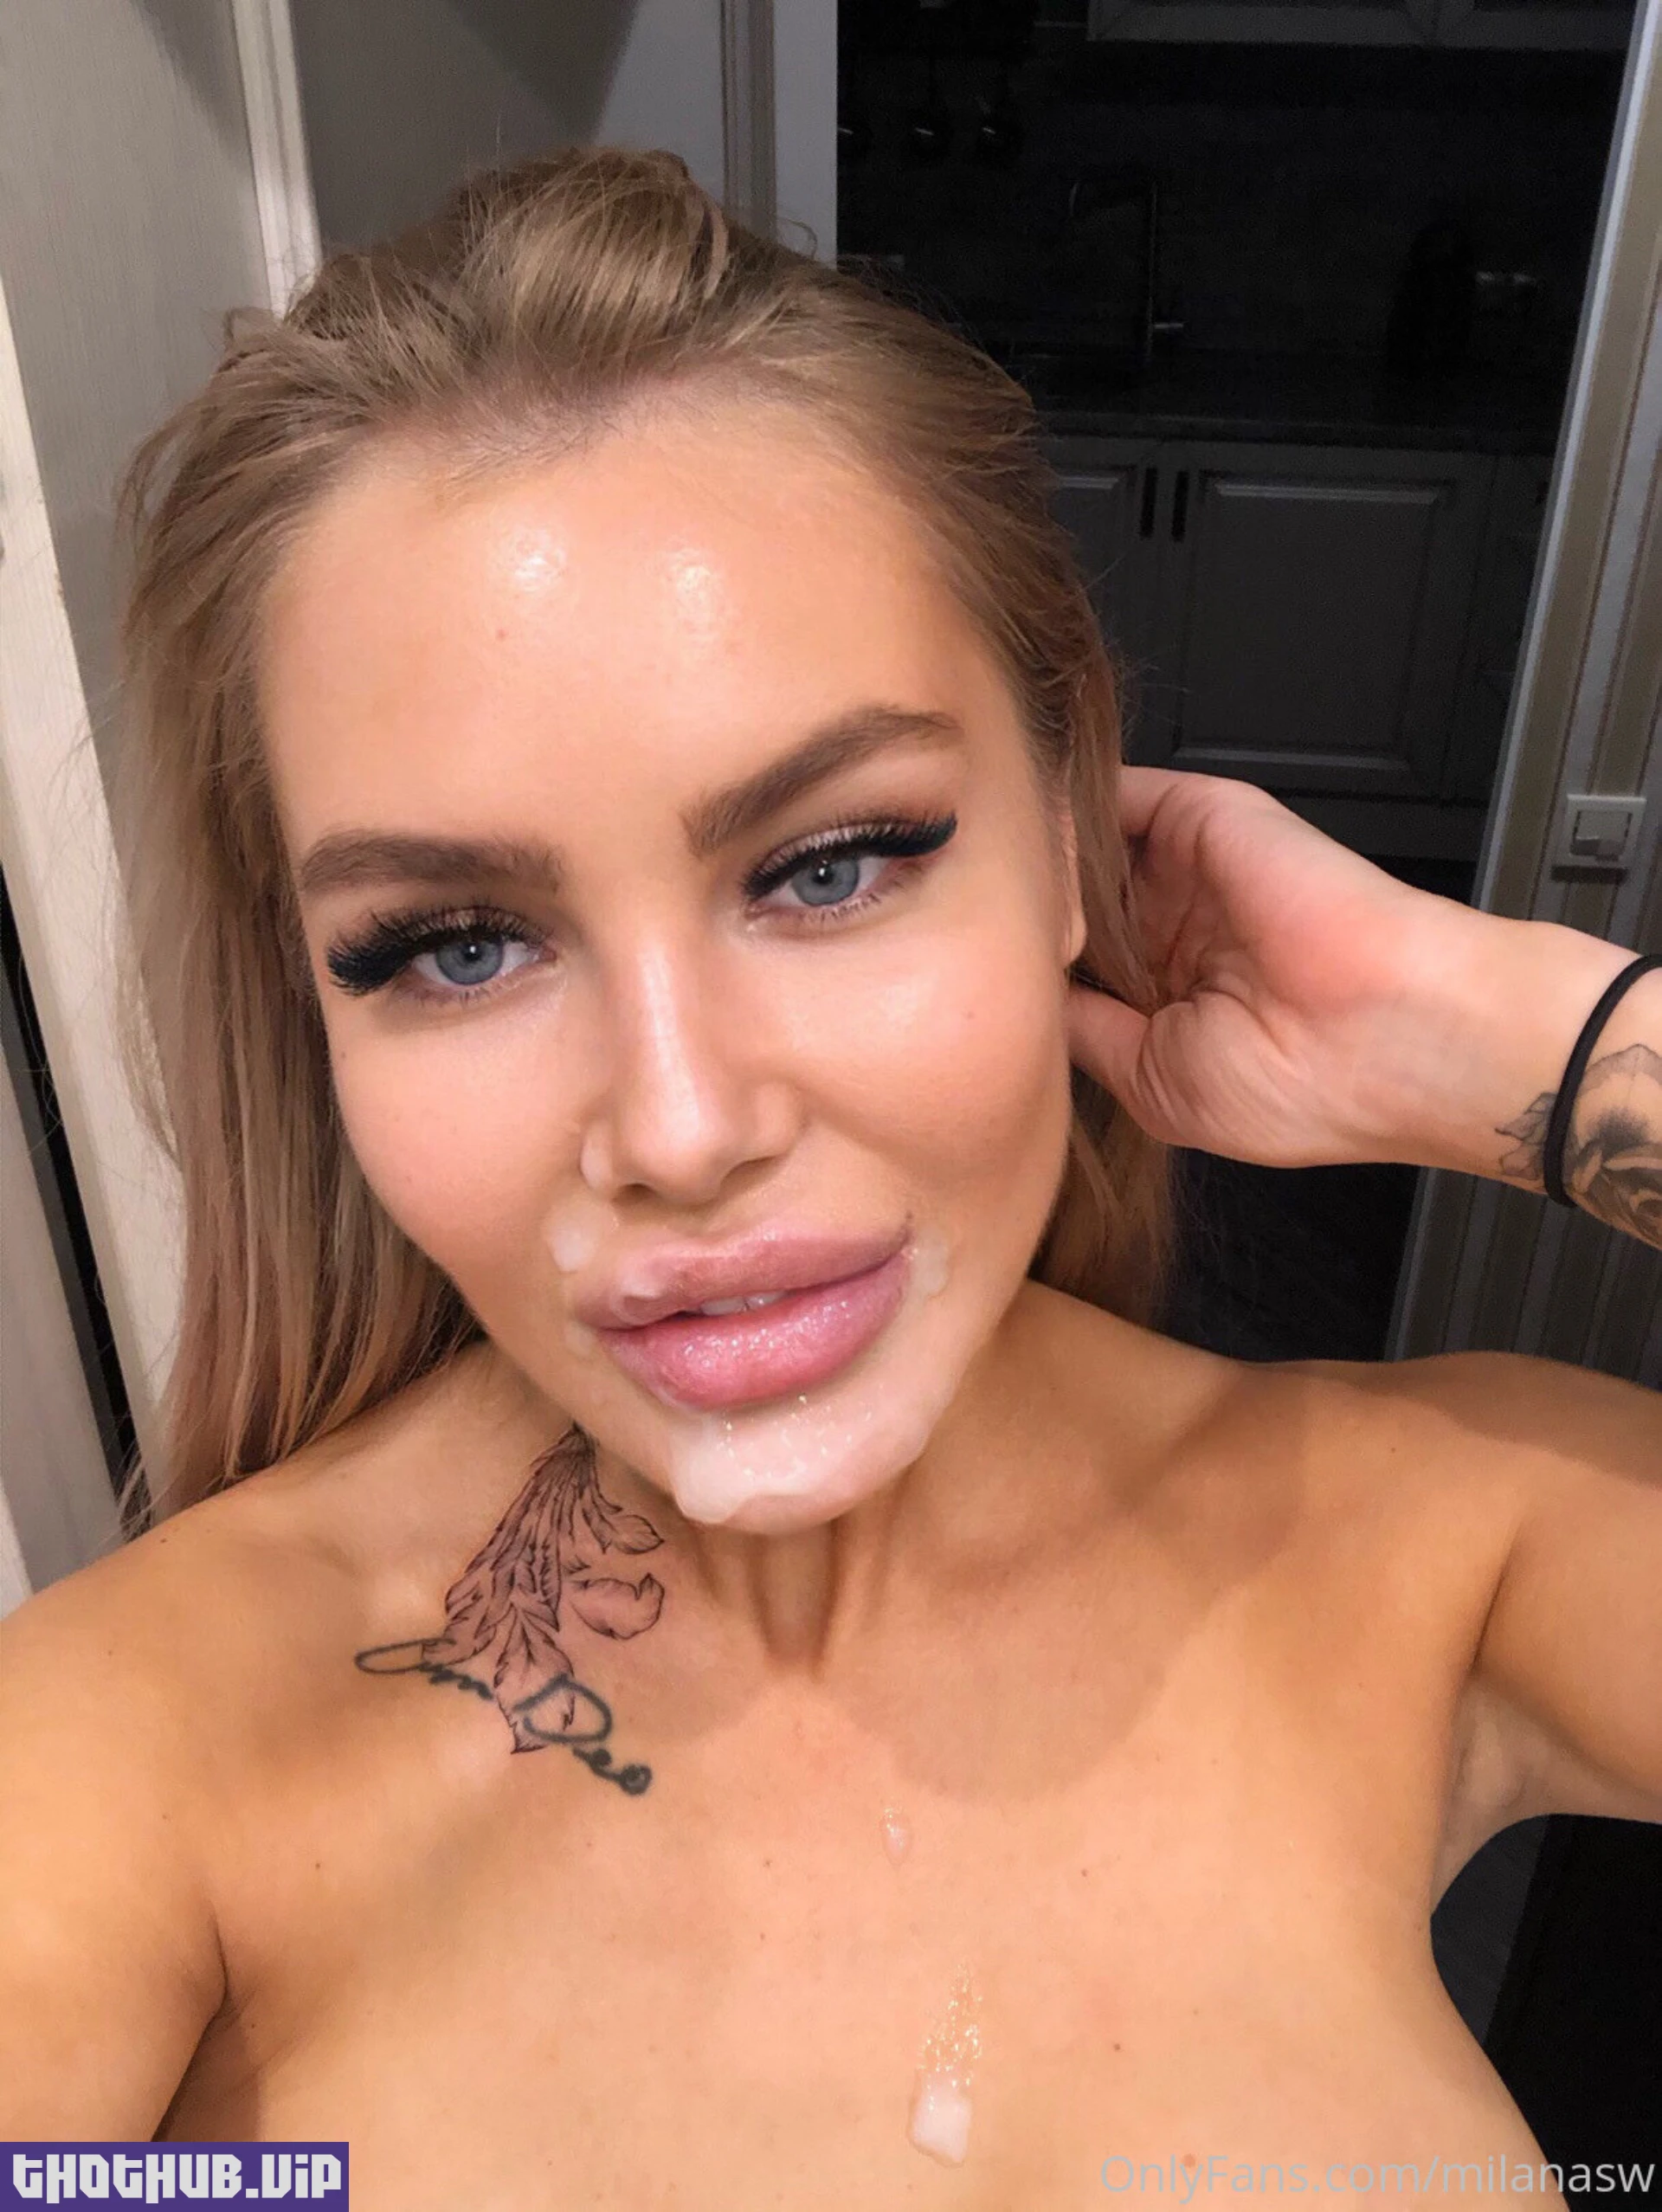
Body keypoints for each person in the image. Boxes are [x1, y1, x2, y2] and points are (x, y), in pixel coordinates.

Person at [0, 147, 1656, 2204]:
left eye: (833, 862)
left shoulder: (1433, 1549)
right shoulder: (125, 1747)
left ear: (1068, 824)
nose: (682, 1124)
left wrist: (1537, 1045)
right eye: (458, 945)